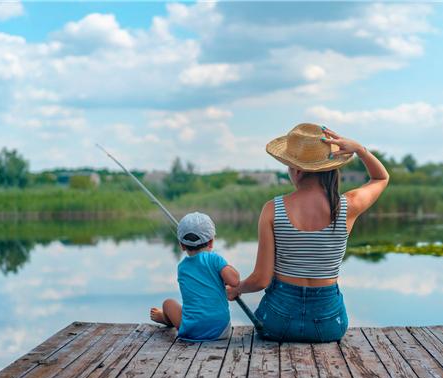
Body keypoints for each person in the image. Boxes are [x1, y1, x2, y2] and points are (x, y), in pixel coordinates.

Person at [226, 123, 389, 342]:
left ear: (298, 170)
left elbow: (261, 280)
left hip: (276, 322)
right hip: (330, 325)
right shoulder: (348, 206)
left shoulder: (273, 209)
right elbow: (381, 178)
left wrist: (238, 289)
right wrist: (360, 150)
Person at [150, 212, 240, 341]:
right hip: (221, 331)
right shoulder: (215, 259)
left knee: (168, 303)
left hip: (191, 331)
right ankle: (166, 318)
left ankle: (165, 318)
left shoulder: (182, 267)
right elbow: (235, 281)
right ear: (211, 242)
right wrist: (224, 267)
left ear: (181, 245)